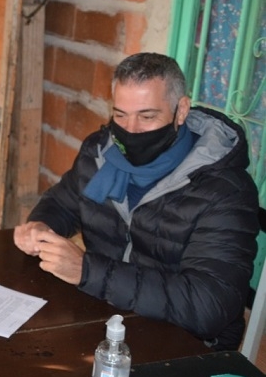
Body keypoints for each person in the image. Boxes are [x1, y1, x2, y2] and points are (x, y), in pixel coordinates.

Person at [13, 52, 259, 351]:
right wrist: (41, 226)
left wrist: (89, 271)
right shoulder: (100, 153)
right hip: (106, 317)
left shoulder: (224, 191)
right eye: (120, 115)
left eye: (147, 116)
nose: (130, 131)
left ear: (181, 111)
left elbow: (207, 307)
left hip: (184, 342)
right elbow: (63, 202)